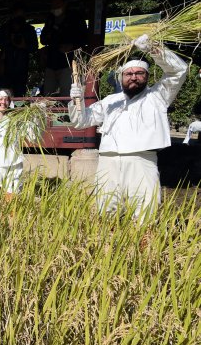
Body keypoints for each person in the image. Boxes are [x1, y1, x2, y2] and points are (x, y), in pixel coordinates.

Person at [68, 34, 187, 220]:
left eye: (139, 73)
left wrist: (153, 49)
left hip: (141, 160)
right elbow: (81, 121)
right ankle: (108, 245)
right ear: (121, 77)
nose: (134, 77)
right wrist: (76, 100)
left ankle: (142, 246)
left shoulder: (158, 96)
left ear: (147, 76)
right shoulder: (110, 101)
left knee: (144, 211)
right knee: (106, 210)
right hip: (108, 162)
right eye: (129, 74)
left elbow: (179, 70)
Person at [40, 0, 88, 98]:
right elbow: (43, 39)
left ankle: (67, 113)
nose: (55, 6)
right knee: (47, 96)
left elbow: (84, 38)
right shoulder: (50, 19)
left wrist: (72, 46)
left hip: (69, 63)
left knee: (68, 94)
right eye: (53, 4)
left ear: (65, 4)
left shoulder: (75, 18)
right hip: (51, 62)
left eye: (58, 4)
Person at [0, 7, 38, 97]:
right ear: (12, 15)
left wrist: (24, 46)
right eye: (17, 14)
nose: (19, 17)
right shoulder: (5, 28)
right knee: (4, 93)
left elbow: (34, 47)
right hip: (6, 67)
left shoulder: (29, 29)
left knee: (20, 94)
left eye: (21, 15)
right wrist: (8, 40)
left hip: (22, 67)